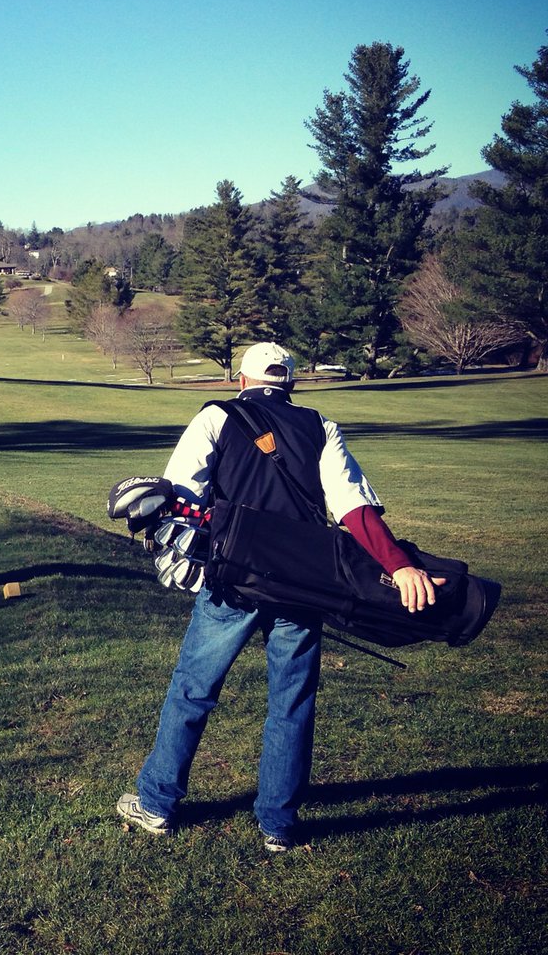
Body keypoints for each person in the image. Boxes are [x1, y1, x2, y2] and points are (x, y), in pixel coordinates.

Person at [117, 342, 443, 852]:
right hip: (302, 585)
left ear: (241, 381)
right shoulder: (321, 426)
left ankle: (156, 804)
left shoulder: (215, 417)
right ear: (290, 383)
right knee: (291, 702)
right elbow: (354, 509)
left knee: (193, 692)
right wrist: (399, 565)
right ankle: (278, 825)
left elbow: (181, 493)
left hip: (234, 581)